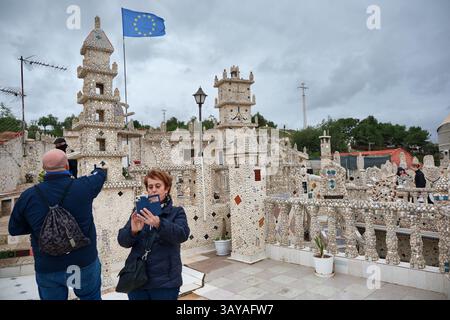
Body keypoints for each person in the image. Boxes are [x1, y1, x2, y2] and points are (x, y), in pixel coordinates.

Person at [8, 149, 107, 300]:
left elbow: (14, 229)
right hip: (83, 263)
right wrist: (98, 169)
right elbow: (100, 175)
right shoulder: (84, 186)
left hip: (48, 266)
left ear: (44, 169)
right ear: (67, 166)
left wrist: (39, 228)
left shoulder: (29, 196)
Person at [118, 169, 190, 300]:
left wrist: (159, 223)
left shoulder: (176, 212)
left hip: (165, 283)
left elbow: (182, 235)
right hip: (137, 279)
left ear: (166, 188)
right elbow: (123, 241)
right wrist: (133, 231)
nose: (154, 190)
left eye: (158, 186)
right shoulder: (139, 211)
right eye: (150, 187)